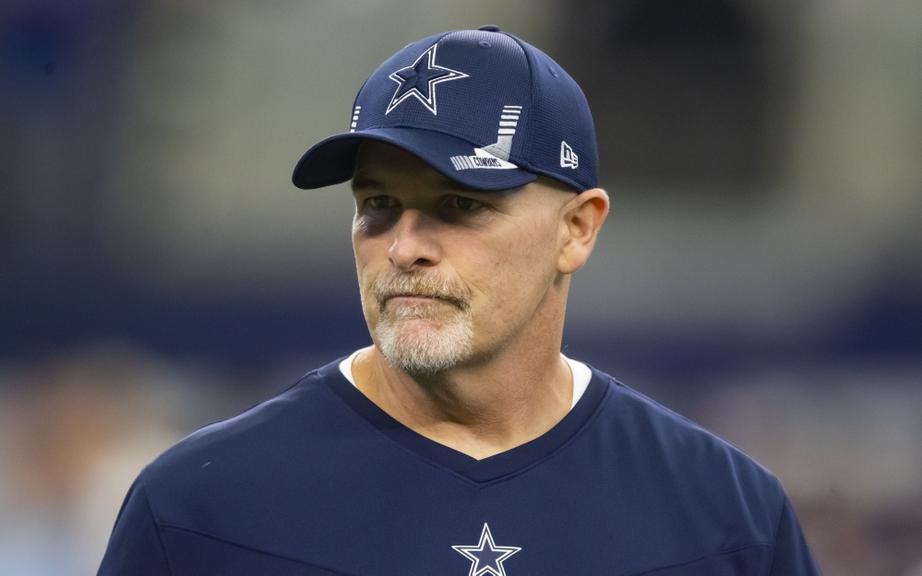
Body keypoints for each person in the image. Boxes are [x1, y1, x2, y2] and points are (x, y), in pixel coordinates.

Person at [98, 26, 821, 575]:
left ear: (577, 229)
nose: (404, 246)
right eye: (377, 203)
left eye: (460, 206)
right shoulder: (200, 507)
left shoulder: (726, 517)